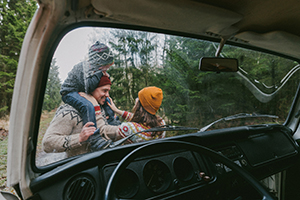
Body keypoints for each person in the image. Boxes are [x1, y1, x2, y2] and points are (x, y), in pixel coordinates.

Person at [42, 76, 122, 157]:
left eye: (108, 91)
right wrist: (79, 138)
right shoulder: (69, 112)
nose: (107, 95)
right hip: (79, 167)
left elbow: (106, 132)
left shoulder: (102, 108)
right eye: (104, 90)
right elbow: (47, 143)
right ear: (91, 89)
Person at [60, 41, 120, 130]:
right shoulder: (83, 68)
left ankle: (112, 121)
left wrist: (103, 74)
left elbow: (102, 81)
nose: (107, 69)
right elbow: (89, 87)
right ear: (99, 64)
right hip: (69, 92)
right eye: (106, 66)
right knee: (87, 106)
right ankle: (93, 135)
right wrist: (100, 73)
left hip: (81, 89)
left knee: (107, 101)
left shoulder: (98, 70)